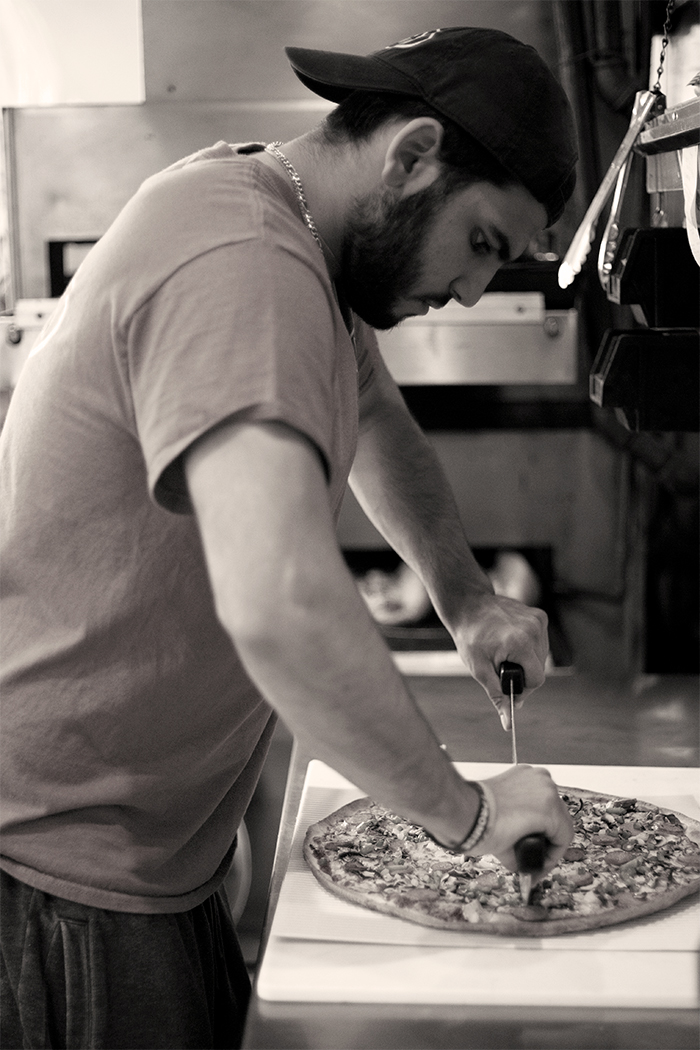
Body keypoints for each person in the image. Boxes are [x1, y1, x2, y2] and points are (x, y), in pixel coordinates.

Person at [0, 26, 578, 1050]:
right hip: (56, 878)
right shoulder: (244, 260)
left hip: (148, 857)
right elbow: (278, 603)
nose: (477, 289)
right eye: (484, 241)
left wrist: (465, 597)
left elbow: (374, 417)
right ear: (410, 155)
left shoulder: (286, 229)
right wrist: (473, 822)